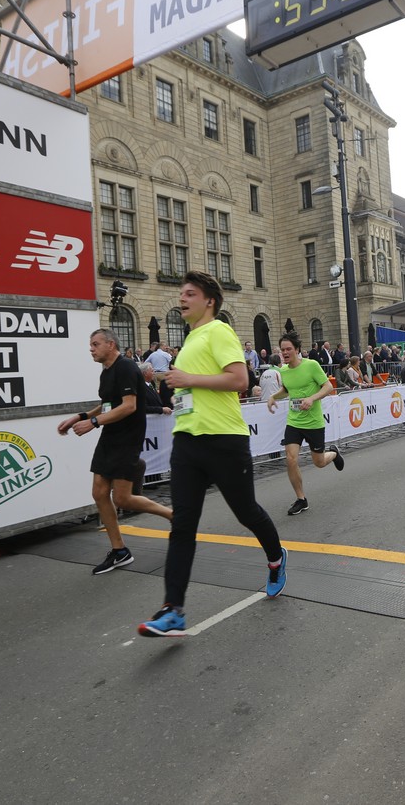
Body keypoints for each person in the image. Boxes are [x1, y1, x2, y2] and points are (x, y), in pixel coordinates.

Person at [137, 271, 287, 637]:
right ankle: (173, 609)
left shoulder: (219, 331)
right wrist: (180, 387)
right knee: (182, 524)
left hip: (224, 439)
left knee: (245, 512)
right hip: (187, 441)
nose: (182, 298)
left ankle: (276, 557)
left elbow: (239, 380)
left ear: (209, 301)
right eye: (182, 293)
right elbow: (194, 388)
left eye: (190, 293)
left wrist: (188, 380)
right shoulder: (189, 340)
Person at [59, 329, 173, 575]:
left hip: (127, 440)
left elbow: (129, 406)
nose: (91, 349)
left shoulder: (126, 367)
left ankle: (174, 516)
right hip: (109, 437)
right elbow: (108, 404)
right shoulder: (107, 371)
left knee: (122, 499)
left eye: (95, 344)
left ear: (110, 344)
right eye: (90, 344)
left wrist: (93, 423)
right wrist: (81, 416)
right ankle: (119, 550)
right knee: (99, 493)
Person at [267, 331, 345, 515]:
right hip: (294, 421)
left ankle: (333, 453)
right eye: (282, 350)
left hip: (313, 422)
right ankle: (301, 499)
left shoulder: (311, 365)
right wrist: (273, 396)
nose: (285, 353)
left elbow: (328, 386)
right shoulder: (283, 370)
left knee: (319, 462)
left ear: (297, 350)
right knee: (290, 459)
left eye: (288, 349)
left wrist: (311, 398)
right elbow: (287, 389)